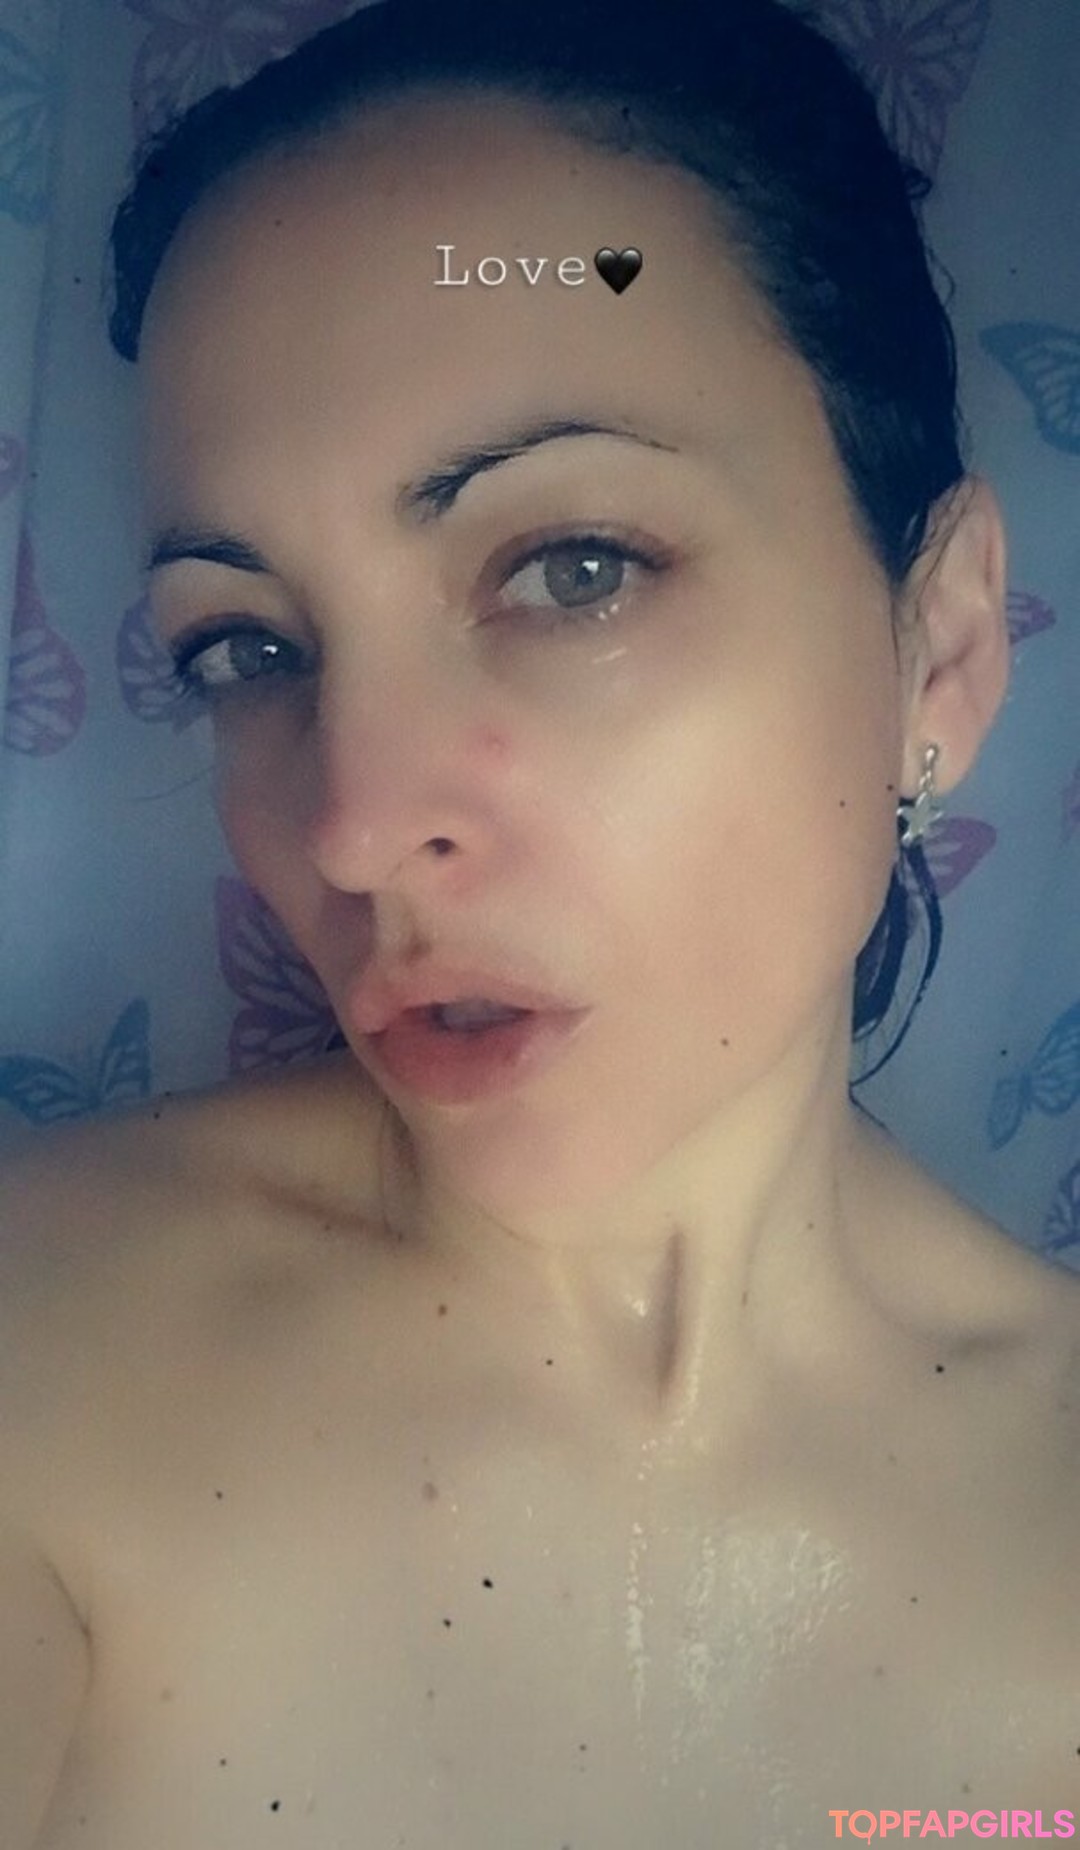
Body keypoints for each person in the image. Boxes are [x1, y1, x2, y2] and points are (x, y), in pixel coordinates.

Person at [2, 1, 1078, 1844]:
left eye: (573, 568)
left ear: (941, 648)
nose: (353, 825)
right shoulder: (43, 1344)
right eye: (246, 647)